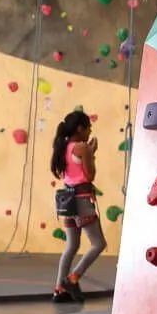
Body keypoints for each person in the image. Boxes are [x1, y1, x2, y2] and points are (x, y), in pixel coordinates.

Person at [50, 110, 104, 303]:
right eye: (88, 128)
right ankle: (72, 279)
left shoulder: (62, 146)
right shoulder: (82, 148)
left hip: (67, 201)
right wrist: (91, 153)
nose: (90, 132)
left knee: (71, 246)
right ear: (80, 128)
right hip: (81, 201)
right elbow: (90, 175)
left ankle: (59, 289)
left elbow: (72, 170)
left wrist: (89, 152)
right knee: (98, 244)